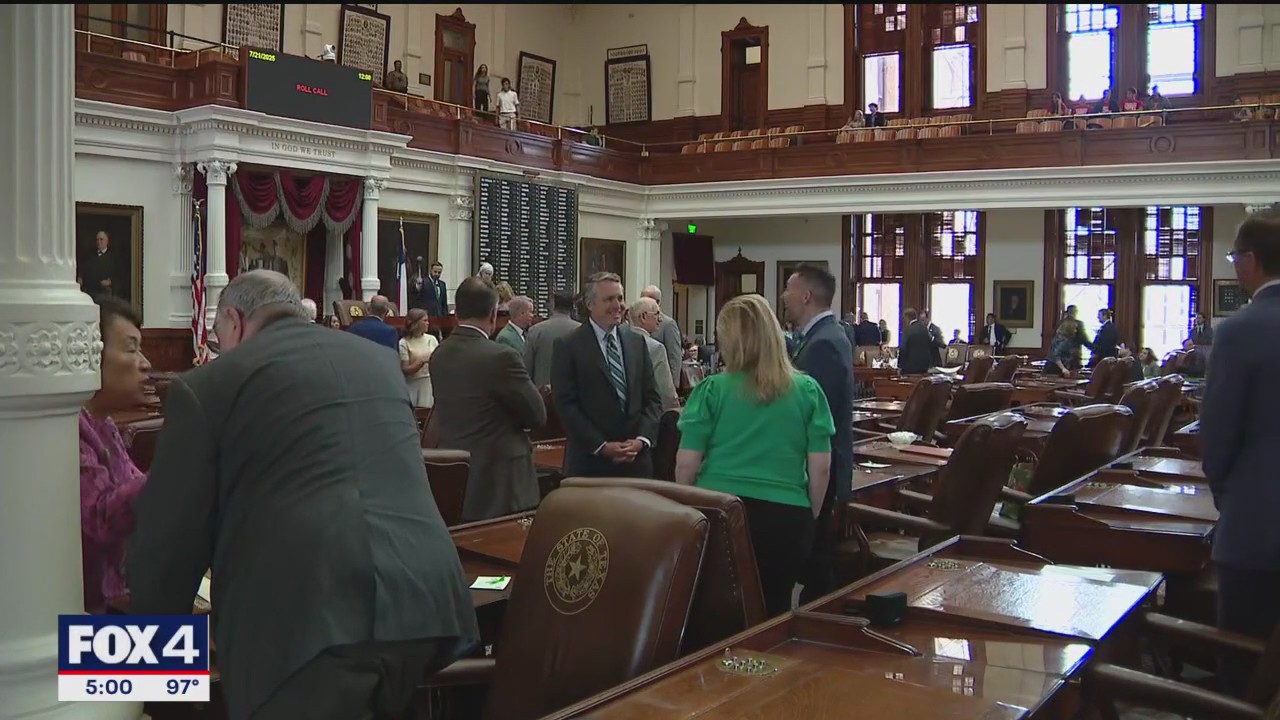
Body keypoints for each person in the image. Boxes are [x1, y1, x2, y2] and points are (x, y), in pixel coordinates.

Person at [128, 271, 478, 720]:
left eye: (217, 337)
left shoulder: (208, 386)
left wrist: (153, 691)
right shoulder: (375, 362)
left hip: (307, 627)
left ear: (233, 321)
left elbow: (166, 552)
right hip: (425, 604)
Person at [675, 294, 834, 617]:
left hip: (718, 510)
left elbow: (686, 463)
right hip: (786, 517)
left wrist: (685, 508)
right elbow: (821, 468)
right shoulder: (808, 391)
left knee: (716, 614)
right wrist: (808, 513)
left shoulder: (712, 390)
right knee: (773, 612)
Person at [1202, 209, 1280, 695]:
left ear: (1249, 261)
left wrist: (1229, 498)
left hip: (1257, 528)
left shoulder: (1239, 330)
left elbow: (1218, 439)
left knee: (1241, 671)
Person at [431, 278, 546, 521]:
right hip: (502, 481)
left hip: (457, 474)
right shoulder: (501, 356)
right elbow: (537, 415)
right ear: (494, 314)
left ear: (456, 312)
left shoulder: (439, 354)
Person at [781, 264, 854, 604]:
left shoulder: (823, 343)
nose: (784, 296)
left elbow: (812, 415)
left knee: (817, 563)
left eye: (788, 289)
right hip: (822, 465)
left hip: (818, 468)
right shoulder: (826, 335)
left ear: (806, 296)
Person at [79, 297, 152, 614]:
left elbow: (139, 489)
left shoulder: (103, 423)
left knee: (221, 645)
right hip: (79, 628)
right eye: (132, 348)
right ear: (92, 355)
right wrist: (180, 468)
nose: (145, 363)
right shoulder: (66, 428)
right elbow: (100, 518)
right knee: (202, 655)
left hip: (117, 605)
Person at [551, 272, 661, 478]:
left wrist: (641, 440)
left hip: (636, 465)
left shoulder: (636, 342)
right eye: (609, 299)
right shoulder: (568, 346)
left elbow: (652, 398)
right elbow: (565, 404)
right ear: (590, 304)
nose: (618, 305)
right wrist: (601, 446)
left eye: (620, 298)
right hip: (591, 465)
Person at [630, 297, 681, 412]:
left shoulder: (618, 342)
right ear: (643, 317)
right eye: (657, 314)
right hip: (649, 414)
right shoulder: (655, 348)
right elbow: (665, 391)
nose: (660, 319)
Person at [524, 290, 580, 388]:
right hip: (573, 395)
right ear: (572, 306)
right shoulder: (582, 331)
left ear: (552, 305)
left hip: (542, 396)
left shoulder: (536, 330)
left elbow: (527, 368)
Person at [640, 284, 684, 383]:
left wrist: (672, 385)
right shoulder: (637, 321)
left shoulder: (668, 324)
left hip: (660, 380)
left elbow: (674, 357)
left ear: (658, 303)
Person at [399, 308, 438, 409]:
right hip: (413, 385)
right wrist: (421, 361)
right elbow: (405, 370)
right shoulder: (404, 342)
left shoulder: (432, 339)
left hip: (429, 385)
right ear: (416, 323)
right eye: (425, 321)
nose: (428, 323)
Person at [897, 308, 934, 374]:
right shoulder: (925, 329)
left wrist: (899, 365)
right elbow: (930, 345)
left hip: (910, 368)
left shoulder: (907, 331)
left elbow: (903, 349)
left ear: (907, 318)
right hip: (924, 367)